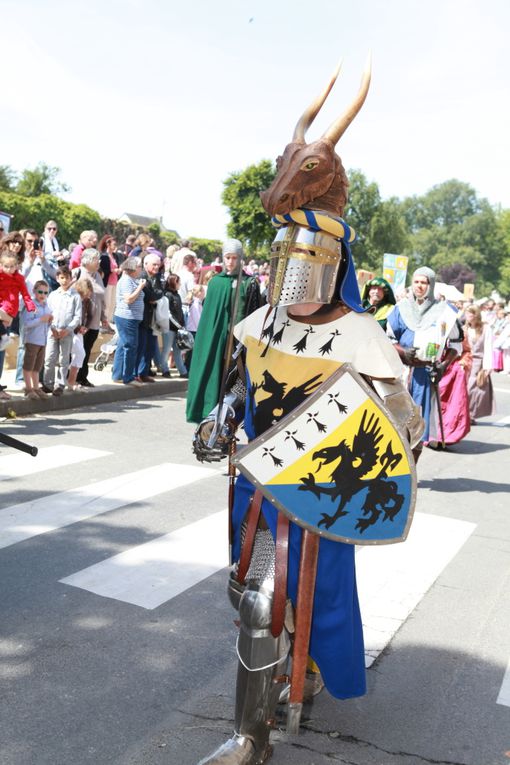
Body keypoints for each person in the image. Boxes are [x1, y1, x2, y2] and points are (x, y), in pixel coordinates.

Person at [191, 64, 423, 765]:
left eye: (305, 261)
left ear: (328, 261)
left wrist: (396, 431)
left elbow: (396, 422)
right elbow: (245, 385)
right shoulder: (260, 320)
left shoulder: (361, 334)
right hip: (257, 478)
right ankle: (291, 673)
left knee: (268, 601)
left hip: (314, 490)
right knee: (249, 593)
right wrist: (222, 417)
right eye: (283, 259)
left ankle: (249, 739)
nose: (290, 275)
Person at [186, 239, 263, 423]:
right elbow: (210, 318)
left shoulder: (249, 282)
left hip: (239, 343)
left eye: (235, 258)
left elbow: (254, 313)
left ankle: (231, 418)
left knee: (236, 380)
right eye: (228, 257)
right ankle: (208, 412)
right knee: (214, 372)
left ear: (241, 259)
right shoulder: (216, 284)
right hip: (218, 340)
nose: (230, 262)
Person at [387, 266, 463, 449]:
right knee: (395, 421)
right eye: (416, 282)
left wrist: (444, 365)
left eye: (424, 282)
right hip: (402, 372)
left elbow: (455, 344)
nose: (419, 286)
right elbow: (388, 339)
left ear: (431, 285)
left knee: (418, 427)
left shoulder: (445, 312)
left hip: (425, 374)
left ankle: (413, 471)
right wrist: (402, 351)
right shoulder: (400, 309)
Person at [43, 266, 81, 395]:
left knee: (63, 360)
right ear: (57, 279)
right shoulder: (53, 295)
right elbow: (48, 313)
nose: (64, 280)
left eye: (67, 278)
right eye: (62, 278)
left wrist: (68, 329)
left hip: (67, 332)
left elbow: (77, 316)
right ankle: (48, 384)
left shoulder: (75, 296)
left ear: (71, 279)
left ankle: (60, 385)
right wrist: (52, 328)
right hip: (52, 331)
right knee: (49, 358)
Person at [73, 249, 108, 387]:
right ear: (86, 260)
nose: (98, 262)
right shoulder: (77, 272)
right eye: (95, 259)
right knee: (76, 351)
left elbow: (101, 298)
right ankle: (72, 378)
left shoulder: (98, 275)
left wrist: (104, 317)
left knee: (86, 351)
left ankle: (83, 377)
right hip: (80, 321)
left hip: (94, 321)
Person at [111, 256, 146, 386]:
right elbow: (128, 299)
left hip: (131, 317)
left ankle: (118, 375)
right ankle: (128, 377)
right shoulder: (126, 280)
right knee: (131, 346)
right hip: (127, 317)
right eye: (139, 267)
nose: (141, 269)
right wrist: (141, 287)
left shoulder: (132, 280)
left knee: (123, 345)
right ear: (132, 267)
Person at [135, 252, 164, 383]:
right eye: (154, 264)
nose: (157, 267)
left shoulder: (156, 277)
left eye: (158, 265)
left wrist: (154, 296)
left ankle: (144, 372)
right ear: (145, 264)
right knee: (142, 346)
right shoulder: (142, 276)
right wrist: (154, 296)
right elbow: (150, 296)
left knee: (150, 347)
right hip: (142, 317)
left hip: (152, 318)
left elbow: (159, 293)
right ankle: (139, 373)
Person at [22, 279, 53, 399]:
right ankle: (28, 389)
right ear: (34, 291)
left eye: (46, 293)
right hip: (32, 340)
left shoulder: (46, 306)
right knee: (28, 366)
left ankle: (36, 388)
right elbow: (26, 323)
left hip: (42, 341)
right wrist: (41, 319)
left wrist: (49, 321)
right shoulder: (31, 305)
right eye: (40, 292)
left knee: (37, 367)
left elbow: (46, 324)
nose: (43, 295)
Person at [464, 305, 495, 423]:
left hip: (478, 363)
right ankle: (466, 414)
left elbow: (488, 347)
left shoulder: (485, 328)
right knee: (463, 389)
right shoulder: (464, 328)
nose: (467, 316)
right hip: (466, 362)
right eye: (466, 313)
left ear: (475, 315)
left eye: (470, 314)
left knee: (472, 389)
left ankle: (471, 414)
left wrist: (487, 366)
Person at [0, 251, 36, 351]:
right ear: (1, 265)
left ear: (16, 266)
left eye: (12, 266)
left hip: (10, 305)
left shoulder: (19, 278)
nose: (8, 269)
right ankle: (3, 336)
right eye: (6, 266)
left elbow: (25, 293)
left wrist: (31, 306)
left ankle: (5, 337)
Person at [67, 279, 94, 392]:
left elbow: (90, 315)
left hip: (78, 331)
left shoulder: (87, 301)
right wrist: (78, 327)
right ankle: (70, 381)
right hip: (70, 330)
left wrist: (85, 326)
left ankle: (71, 381)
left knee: (80, 355)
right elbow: (69, 316)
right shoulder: (73, 298)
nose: (87, 295)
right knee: (74, 354)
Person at [160, 274, 188, 378]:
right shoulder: (167, 295)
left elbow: (179, 311)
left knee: (177, 350)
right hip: (169, 328)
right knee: (167, 349)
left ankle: (183, 371)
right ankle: (164, 369)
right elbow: (168, 314)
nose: (180, 284)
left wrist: (182, 325)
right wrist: (178, 325)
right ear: (173, 282)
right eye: (178, 282)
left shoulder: (177, 295)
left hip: (178, 328)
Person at [98, 234, 120, 323]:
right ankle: (104, 323)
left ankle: (109, 321)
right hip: (107, 282)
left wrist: (118, 270)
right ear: (108, 244)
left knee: (113, 304)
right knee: (106, 304)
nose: (115, 246)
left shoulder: (115, 256)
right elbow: (102, 270)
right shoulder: (103, 256)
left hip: (115, 282)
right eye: (114, 244)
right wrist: (112, 270)